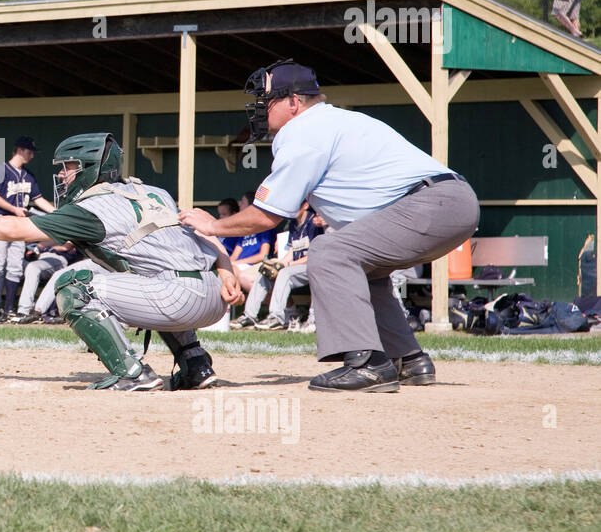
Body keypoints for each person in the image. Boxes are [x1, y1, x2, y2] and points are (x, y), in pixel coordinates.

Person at [179, 59, 480, 393]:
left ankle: (367, 364)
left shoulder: (302, 130)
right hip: (447, 201)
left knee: (328, 250)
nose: (260, 108)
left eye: (268, 99)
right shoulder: (332, 120)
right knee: (369, 270)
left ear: (294, 102)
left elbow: (266, 215)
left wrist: (213, 225)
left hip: (429, 204)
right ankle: (409, 359)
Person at [0, 132, 243, 390]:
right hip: (214, 294)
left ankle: (132, 373)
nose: (63, 175)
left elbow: (15, 229)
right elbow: (199, 232)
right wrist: (227, 269)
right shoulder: (152, 191)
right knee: (148, 273)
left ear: (91, 168)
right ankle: (196, 365)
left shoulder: (92, 206)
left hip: (177, 300)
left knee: (73, 285)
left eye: (69, 167)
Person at [0, 136, 55, 321]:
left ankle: (9, 310)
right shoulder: (0, 169)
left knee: (15, 266)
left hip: (19, 222)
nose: (32, 156)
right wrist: (14, 208)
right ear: (20, 150)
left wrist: (56, 213)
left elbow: (38, 199)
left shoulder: (28, 176)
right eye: (30, 152)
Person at [231, 198, 322, 331]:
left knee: (284, 273)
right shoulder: (294, 223)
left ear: (305, 205)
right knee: (266, 269)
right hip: (295, 265)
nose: (292, 209)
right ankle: (249, 315)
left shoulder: (313, 223)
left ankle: (277, 317)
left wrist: (287, 265)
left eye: (296, 205)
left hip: (312, 265)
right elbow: (292, 250)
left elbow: (314, 255)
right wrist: (279, 264)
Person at [10, 242, 77, 323]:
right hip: (37, 257)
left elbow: (66, 247)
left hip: (57, 257)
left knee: (32, 267)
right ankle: (9, 309)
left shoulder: (67, 230)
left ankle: (25, 311)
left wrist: (45, 247)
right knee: (11, 265)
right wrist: (33, 249)